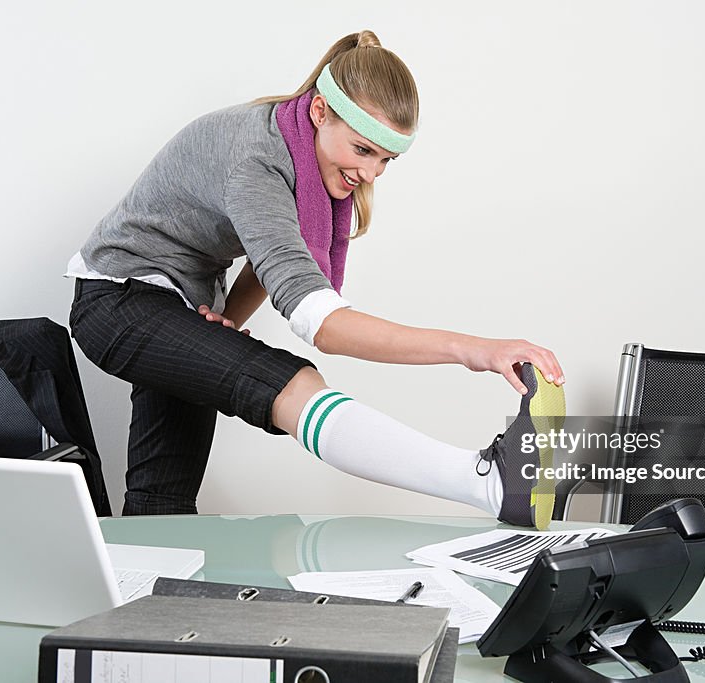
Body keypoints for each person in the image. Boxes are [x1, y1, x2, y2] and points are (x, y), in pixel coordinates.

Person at [66, 30, 566, 529]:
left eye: (386, 159)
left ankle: (146, 598)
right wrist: (473, 350)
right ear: (321, 111)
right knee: (288, 383)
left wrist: (223, 322)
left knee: (162, 504)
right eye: (363, 150)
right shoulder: (258, 161)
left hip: (176, 301)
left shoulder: (292, 146)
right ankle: (485, 483)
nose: (372, 174)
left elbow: (274, 254)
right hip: (118, 300)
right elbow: (321, 323)